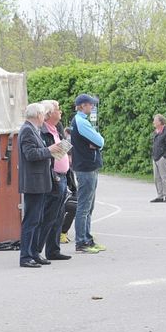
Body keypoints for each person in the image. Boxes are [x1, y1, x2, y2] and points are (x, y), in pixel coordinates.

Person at [18, 103, 62, 268]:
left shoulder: (32, 130)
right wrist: (49, 150)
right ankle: (26, 256)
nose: (44, 118)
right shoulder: (27, 130)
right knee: (31, 220)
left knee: (38, 218)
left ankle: (34, 253)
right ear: (37, 115)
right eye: (43, 114)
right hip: (33, 182)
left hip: (39, 181)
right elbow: (30, 154)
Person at [35, 100, 73, 262]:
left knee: (58, 215)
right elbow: (47, 153)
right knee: (49, 215)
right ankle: (37, 250)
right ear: (49, 114)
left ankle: (53, 250)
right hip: (54, 176)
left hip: (63, 175)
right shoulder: (42, 131)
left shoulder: (57, 127)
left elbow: (63, 148)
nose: (61, 112)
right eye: (58, 109)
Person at [71, 94, 107, 254]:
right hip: (86, 167)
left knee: (88, 206)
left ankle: (87, 238)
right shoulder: (81, 122)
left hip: (88, 166)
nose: (92, 107)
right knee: (84, 206)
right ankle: (81, 242)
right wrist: (96, 143)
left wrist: (96, 143)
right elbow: (100, 141)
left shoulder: (82, 121)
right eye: (90, 104)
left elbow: (97, 142)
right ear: (83, 105)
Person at [151, 114, 166, 203]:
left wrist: (164, 156)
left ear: (160, 122)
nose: (153, 122)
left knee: (164, 176)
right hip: (156, 157)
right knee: (156, 177)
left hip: (163, 157)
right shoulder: (156, 131)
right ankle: (160, 196)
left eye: (155, 120)